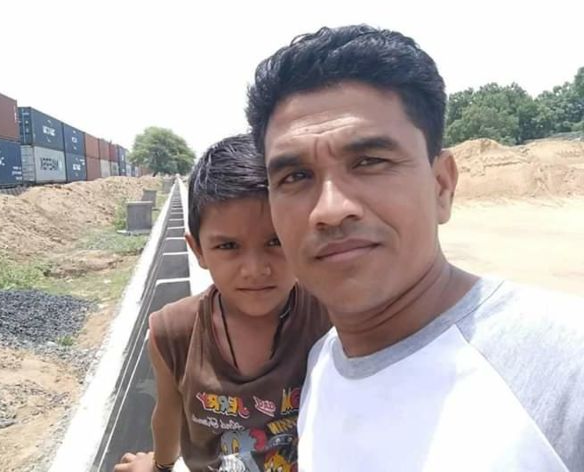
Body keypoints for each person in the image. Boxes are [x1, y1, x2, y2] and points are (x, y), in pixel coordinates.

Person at [245, 25, 584, 471]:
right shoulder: (323, 364)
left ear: (441, 186)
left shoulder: (566, 369)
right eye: (295, 177)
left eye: (370, 162)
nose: (330, 209)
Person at [113, 134, 330, 472]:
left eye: (275, 241)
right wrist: (159, 466)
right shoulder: (174, 332)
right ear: (198, 250)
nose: (255, 269)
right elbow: (168, 410)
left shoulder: (329, 315)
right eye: (228, 246)